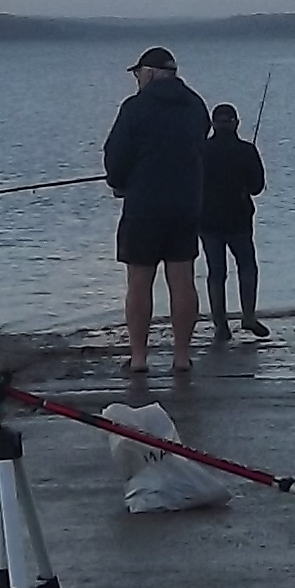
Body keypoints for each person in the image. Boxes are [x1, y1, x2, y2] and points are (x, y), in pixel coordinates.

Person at [103, 44, 212, 378]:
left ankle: (139, 358)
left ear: (148, 73)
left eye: (137, 74)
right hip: (186, 205)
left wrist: (119, 183)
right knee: (182, 280)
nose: (136, 80)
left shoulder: (135, 108)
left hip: (144, 206)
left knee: (139, 281)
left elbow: (115, 155)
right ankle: (181, 356)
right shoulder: (196, 106)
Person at [198, 101, 270, 341]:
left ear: (212, 125)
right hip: (239, 220)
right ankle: (248, 316)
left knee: (216, 272)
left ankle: (221, 325)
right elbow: (257, 187)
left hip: (207, 221)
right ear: (236, 124)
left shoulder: (201, 150)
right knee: (247, 267)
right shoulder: (247, 151)